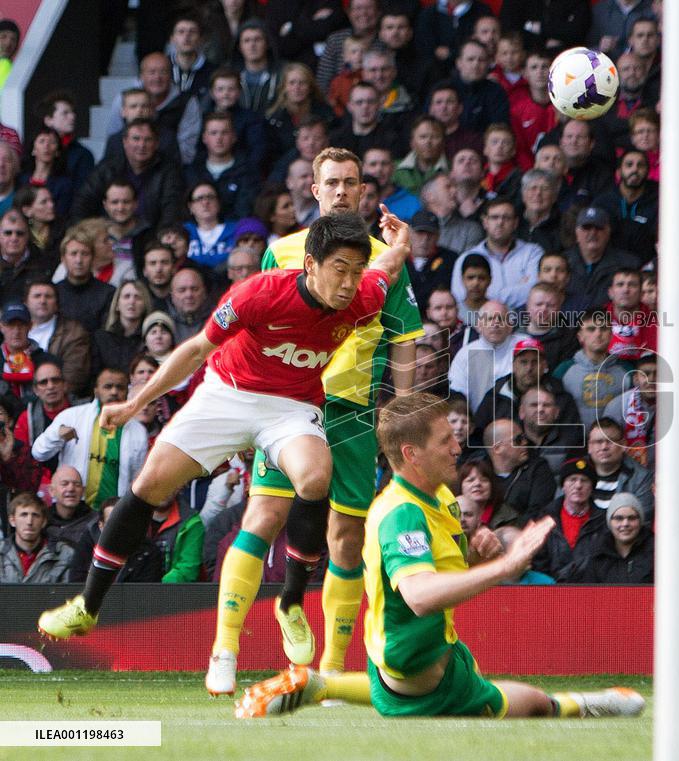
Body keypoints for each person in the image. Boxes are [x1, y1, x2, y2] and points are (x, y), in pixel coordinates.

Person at [37, 210, 409, 643]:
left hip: (291, 406)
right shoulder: (258, 294)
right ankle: (88, 605)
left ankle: (290, 604)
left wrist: (399, 244)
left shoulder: (365, 297)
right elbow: (195, 350)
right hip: (227, 394)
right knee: (150, 485)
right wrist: (136, 402)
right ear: (311, 264)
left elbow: (386, 268)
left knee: (315, 477)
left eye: (355, 271)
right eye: (339, 270)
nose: (348, 283)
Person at [235, 392, 643, 718]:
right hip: (418, 669)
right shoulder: (402, 513)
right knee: (532, 705)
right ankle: (585, 705)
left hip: (424, 648)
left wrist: (479, 562)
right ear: (411, 454)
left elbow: (442, 576)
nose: (457, 446)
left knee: (466, 687)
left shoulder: (442, 496)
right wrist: (505, 567)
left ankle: (320, 683)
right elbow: (420, 595)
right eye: (444, 439)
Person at [206, 149, 423, 696]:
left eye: (352, 183)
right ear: (314, 190)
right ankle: (224, 651)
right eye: (332, 183)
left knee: (345, 539)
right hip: (284, 403)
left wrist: (401, 423)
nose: (343, 192)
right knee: (264, 515)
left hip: (352, 414)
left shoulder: (384, 261)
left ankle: (326, 671)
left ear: (364, 191)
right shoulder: (281, 252)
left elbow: (402, 343)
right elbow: (246, 328)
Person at [31, 367, 148, 505]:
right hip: (75, 507)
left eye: (120, 387)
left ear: (127, 392)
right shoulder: (72, 416)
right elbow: (38, 453)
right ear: (96, 391)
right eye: (108, 386)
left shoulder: (138, 431)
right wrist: (57, 435)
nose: (114, 392)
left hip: (112, 512)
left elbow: (137, 478)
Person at [451, 198, 543, 311]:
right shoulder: (466, 257)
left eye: (506, 218)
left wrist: (485, 297)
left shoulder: (533, 253)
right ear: (485, 222)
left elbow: (536, 290)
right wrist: (518, 288)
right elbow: (459, 297)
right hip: (482, 322)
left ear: (515, 223)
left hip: (524, 320)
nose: (500, 223)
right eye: (494, 217)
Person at [558, 308, 629, 429]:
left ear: (611, 334)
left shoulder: (627, 370)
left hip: (615, 443)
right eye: (591, 329)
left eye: (603, 329)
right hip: (576, 442)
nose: (598, 334)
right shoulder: (563, 371)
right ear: (580, 336)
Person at [570, 491, 654, 584]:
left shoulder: (657, 552)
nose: (625, 523)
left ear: (640, 521)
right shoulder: (598, 555)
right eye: (619, 518)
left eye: (632, 518)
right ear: (610, 522)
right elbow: (589, 595)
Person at [0, 492, 74, 582]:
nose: (29, 522)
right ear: (12, 521)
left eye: (35, 515)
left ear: (43, 522)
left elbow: (68, 593)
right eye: (24, 515)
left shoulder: (64, 554)